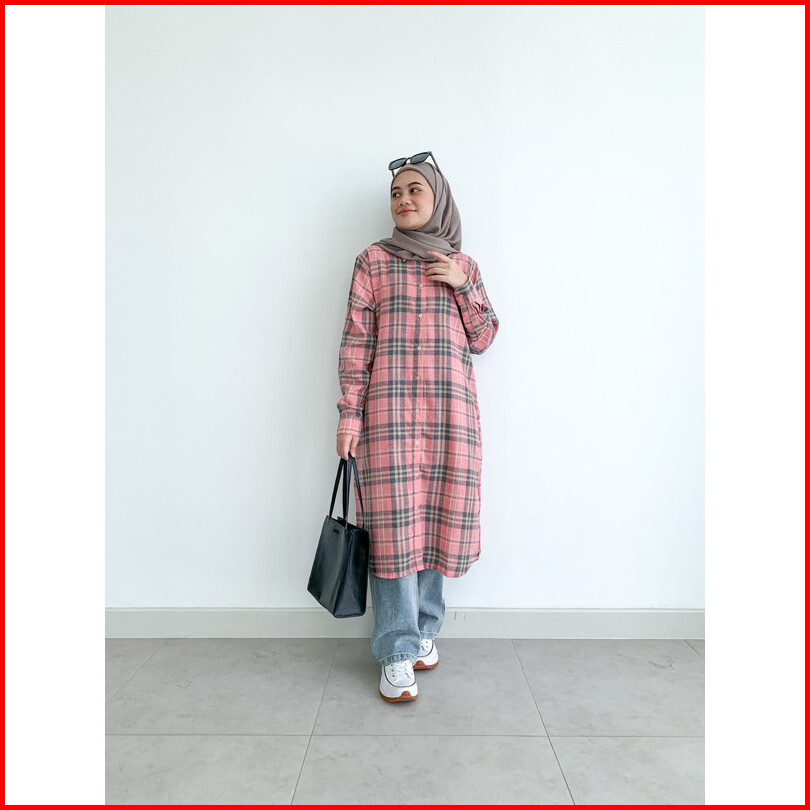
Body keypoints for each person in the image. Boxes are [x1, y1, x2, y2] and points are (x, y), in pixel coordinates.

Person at [335, 151, 499, 703]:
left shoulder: (463, 264)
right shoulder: (373, 262)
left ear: (438, 199)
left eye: (414, 190)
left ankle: (425, 629)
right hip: (388, 419)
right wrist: (349, 415)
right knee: (393, 533)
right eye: (396, 193)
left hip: (451, 418)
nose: (403, 200)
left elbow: (485, 337)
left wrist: (462, 284)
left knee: (434, 526)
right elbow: (356, 345)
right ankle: (396, 650)